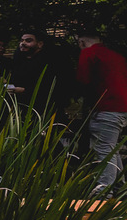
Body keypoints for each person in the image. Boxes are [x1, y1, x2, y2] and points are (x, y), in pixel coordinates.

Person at [76, 31, 127, 192]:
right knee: (112, 147)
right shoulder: (117, 56)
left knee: (104, 148)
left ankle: (104, 190)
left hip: (106, 106)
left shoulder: (88, 53)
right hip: (122, 107)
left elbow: (83, 80)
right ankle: (120, 186)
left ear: (82, 42)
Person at [9, 30, 68, 117]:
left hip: (44, 107)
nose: (23, 43)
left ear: (40, 44)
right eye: (21, 40)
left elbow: (51, 85)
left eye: (28, 41)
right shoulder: (19, 60)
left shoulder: (50, 62)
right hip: (22, 107)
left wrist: (25, 91)